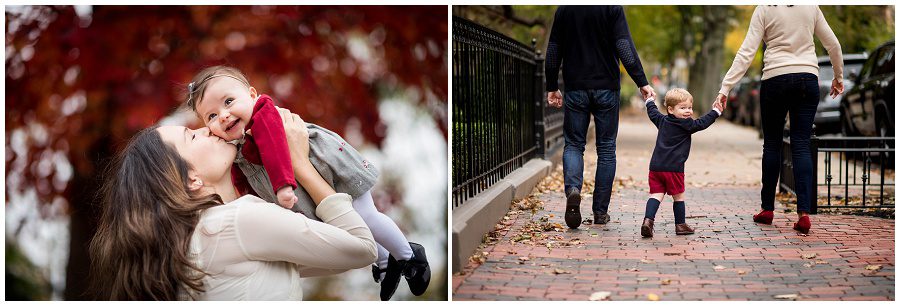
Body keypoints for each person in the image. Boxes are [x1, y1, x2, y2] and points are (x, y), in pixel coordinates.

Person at [184, 65, 430, 300]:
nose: (224, 115)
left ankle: (410, 256)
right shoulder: (236, 146)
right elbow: (241, 182)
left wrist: (283, 186)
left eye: (228, 102)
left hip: (328, 165)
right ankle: (386, 261)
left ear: (251, 95)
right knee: (354, 223)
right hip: (308, 178)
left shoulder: (264, 116)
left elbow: (276, 151)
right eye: (212, 116)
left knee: (366, 214)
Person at [89, 110, 377, 300]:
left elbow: (327, 256)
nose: (207, 129)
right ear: (191, 180)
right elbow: (361, 248)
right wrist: (299, 164)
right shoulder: (238, 222)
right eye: (191, 136)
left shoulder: (196, 240)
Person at [715, 5, 843, 234]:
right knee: (801, 144)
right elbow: (832, 44)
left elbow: (746, 52)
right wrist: (838, 76)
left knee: (772, 144)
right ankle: (803, 214)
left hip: (775, 78)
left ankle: (767, 209)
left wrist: (726, 87)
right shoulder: (810, 6)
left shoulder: (764, 8)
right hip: (807, 78)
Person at [545, 5, 657, 229]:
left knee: (574, 144)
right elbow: (624, 47)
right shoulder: (611, 7)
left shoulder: (565, 9)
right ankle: (600, 212)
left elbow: (554, 49)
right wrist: (641, 82)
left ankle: (573, 190)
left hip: (576, 87)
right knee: (606, 149)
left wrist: (551, 85)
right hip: (606, 87)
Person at [641, 89, 723, 237]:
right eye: (683, 108)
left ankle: (648, 221)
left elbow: (653, 112)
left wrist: (649, 101)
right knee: (678, 197)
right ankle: (680, 225)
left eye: (690, 107)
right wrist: (716, 111)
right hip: (674, 169)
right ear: (671, 109)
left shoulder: (662, 120)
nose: (688, 111)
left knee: (656, 195)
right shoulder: (687, 125)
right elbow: (702, 123)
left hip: (656, 167)